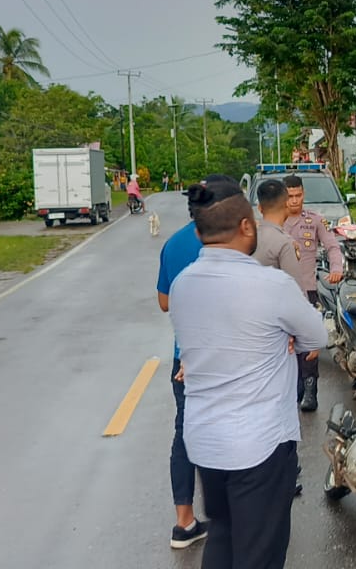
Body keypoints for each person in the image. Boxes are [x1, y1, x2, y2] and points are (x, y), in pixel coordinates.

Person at [170, 179, 327, 569]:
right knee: (259, 554)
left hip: (207, 442)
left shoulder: (183, 284)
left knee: (222, 536)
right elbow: (315, 335)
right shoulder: (270, 285)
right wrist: (285, 338)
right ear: (245, 227)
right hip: (260, 447)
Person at [156, 175, 239, 550]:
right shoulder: (233, 242)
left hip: (183, 359)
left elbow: (164, 301)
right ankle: (234, 517)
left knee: (186, 436)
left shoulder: (173, 244)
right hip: (230, 359)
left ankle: (184, 521)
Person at [281, 174, 343, 412]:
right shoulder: (277, 224)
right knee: (284, 341)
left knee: (308, 342)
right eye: (290, 196)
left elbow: (332, 246)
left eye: (298, 196)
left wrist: (336, 269)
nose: (294, 201)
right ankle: (293, 384)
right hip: (282, 293)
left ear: (303, 195)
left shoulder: (314, 221)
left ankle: (310, 388)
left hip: (308, 291)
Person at [251, 180, 299, 281]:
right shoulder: (285, 243)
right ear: (287, 204)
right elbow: (296, 288)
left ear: (260, 208)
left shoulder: (247, 237)